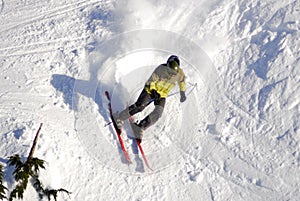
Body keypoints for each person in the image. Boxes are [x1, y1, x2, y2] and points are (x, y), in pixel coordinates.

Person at [113, 55, 187, 142]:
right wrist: (153, 91)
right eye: (169, 71)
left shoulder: (180, 74)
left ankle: (140, 127)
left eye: (173, 73)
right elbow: (151, 81)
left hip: (162, 95)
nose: (171, 74)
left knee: (158, 113)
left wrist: (182, 93)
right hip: (150, 90)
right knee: (140, 106)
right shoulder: (161, 69)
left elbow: (182, 83)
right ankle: (120, 117)